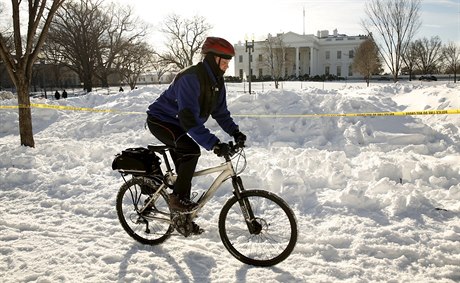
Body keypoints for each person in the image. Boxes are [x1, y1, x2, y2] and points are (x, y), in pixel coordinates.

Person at [146, 37, 247, 216]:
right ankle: (177, 200)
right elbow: (189, 119)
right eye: (224, 62)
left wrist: (235, 132)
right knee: (191, 150)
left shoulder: (217, 82)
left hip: (178, 125)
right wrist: (214, 143)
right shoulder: (190, 78)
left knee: (185, 169)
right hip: (161, 120)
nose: (226, 66)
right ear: (212, 59)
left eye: (228, 62)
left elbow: (221, 112)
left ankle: (181, 217)